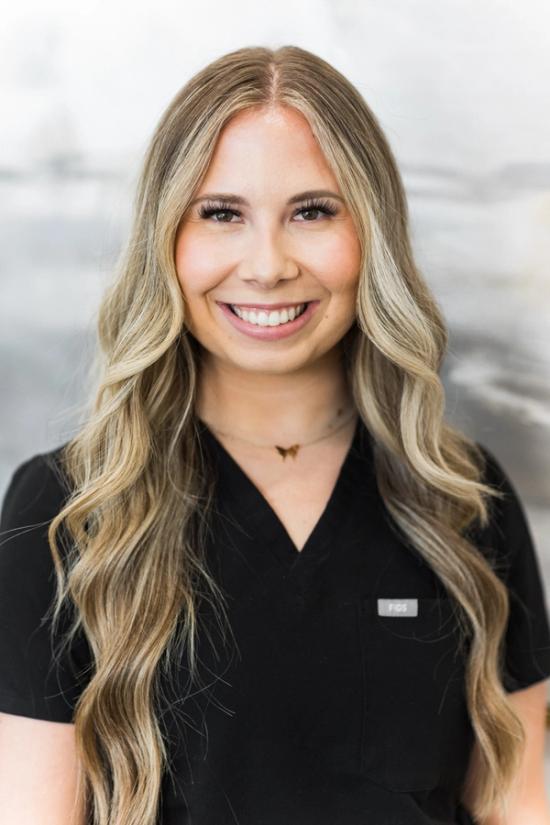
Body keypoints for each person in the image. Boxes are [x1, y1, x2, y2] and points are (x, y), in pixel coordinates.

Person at [1, 44, 549, 825]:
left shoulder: (463, 500)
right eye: (221, 213)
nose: (266, 264)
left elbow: (516, 803)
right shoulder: (64, 512)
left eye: (313, 211)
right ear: (167, 239)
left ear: (373, 236)